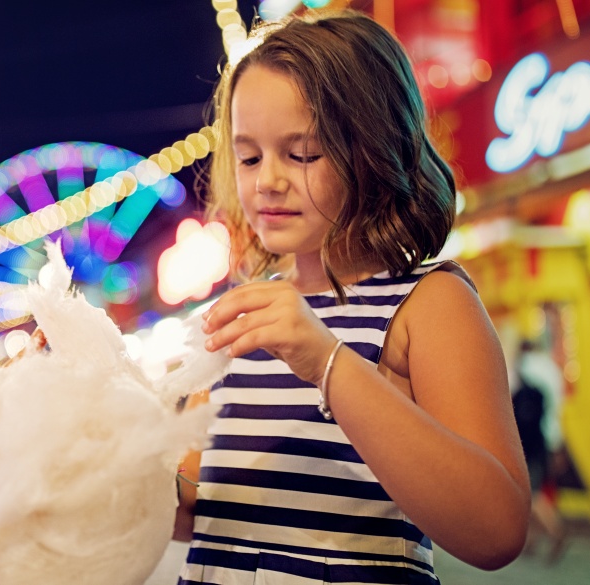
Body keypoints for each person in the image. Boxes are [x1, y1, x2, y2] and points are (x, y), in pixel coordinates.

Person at [174, 11, 529, 584]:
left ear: (375, 148)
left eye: (304, 154)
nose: (267, 180)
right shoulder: (243, 313)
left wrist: (327, 361)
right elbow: (198, 509)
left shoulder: (426, 304)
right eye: (249, 156)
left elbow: (496, 529)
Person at [513, 340, 568, 562]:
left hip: (526, 440)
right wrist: (557, 445)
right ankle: (531, 543)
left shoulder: (522, 367)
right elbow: (555, 410)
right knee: (532, 487)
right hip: (544, 439)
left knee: (529, 493)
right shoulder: (551, 369)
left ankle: (556, 531)